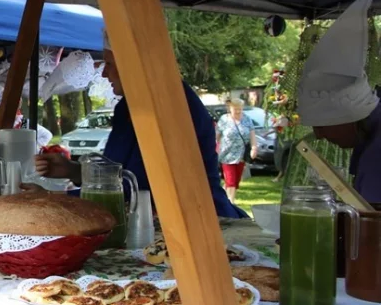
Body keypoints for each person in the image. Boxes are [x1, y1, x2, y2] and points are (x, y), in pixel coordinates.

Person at [35, 39, 245, 218]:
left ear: (131, 64)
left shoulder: (169, 106)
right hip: (156, 219)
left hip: (198, 222)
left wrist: (51, 199)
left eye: (109, 63)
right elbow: (119, 173)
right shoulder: (130, 106)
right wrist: (75, 170)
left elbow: (137, 187)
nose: (105, 73)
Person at [298, 0, 381, 202]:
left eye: (322, 124)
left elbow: (370, 226)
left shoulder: (376, 156)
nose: (318, 135)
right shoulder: (370, 140)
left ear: (347, 116)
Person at [216, 99, 257, 203]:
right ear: (230, 108)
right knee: (231, 182)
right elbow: (216, 136)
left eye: (240, 109)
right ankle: (231, 203)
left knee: (235, 181)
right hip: (227, 155)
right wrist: (214, 148)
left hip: (241, 156)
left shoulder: (247, 119)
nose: (238, 111)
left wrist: (254, 148)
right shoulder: (224, 119)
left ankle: (220, 199)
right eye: (235, 109)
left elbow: (252, 134)